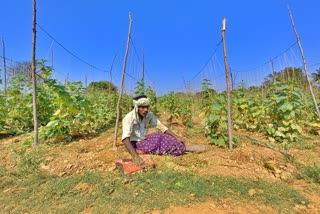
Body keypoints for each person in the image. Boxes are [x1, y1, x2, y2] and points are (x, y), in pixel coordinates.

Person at [121, 95, 187, 166]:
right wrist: (135, 157)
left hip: (143, 139)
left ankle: (179, 146)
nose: (146, 109)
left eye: (147, 107)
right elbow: (125, 138)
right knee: (156, 145)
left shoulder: (149, 115)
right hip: (134, 143)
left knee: (159, 135)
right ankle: (136, 151)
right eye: (143, 107)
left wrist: (177, 137)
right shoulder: (129, 118)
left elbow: (161, 126)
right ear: (136, 108)